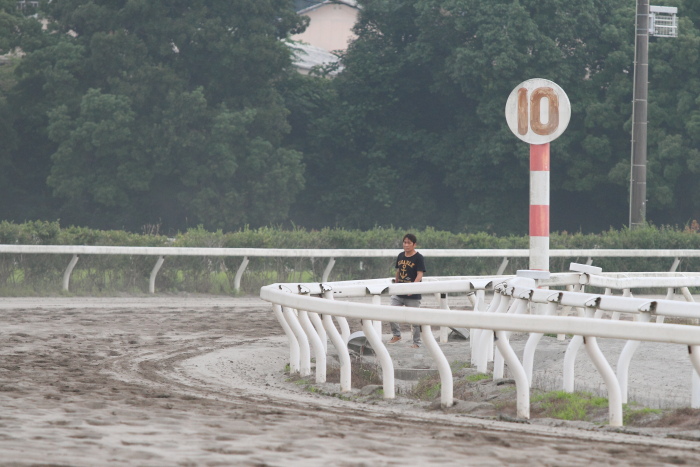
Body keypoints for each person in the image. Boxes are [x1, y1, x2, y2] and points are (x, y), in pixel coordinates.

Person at [388, 233, 426, 348]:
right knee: (390, 313)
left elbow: (420, 274)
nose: (406, 245)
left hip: (413, 294)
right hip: (399, 291)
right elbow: (398, 271)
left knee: (414, 320)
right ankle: (396, 335)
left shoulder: (419, 257)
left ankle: (416, 343)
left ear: (414, 244)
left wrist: (413, 288)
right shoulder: (400, 256)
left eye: (409, 243)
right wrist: (396, 283)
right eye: (404, 242)